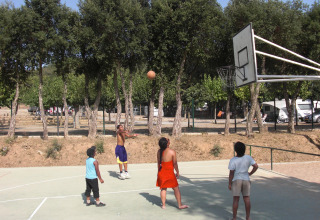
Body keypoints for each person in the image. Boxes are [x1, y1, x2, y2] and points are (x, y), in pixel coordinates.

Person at [228, 142, 258, 220]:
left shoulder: (233, 160)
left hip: (236, 180)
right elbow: (256, 166)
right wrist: (250, 173)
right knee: (247, 198)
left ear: (235, 150)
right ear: (244, 149)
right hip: (246, 179)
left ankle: (234, 218)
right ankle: (248, 217)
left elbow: (231, 173)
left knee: (236, 199)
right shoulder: (248, 157)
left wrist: (229, 183)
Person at [156, 137, 189, 209]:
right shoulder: (172, 152)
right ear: (167, 143)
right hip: (169, 174)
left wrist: (158, 173)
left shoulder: (159, 152)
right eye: (168, 140)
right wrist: (177, 171)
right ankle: (180, 205)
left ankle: (163, 205)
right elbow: (175, 164)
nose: (169, 140)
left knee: (163, 189)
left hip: (161, 172)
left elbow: (158, 164)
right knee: (176, 189)